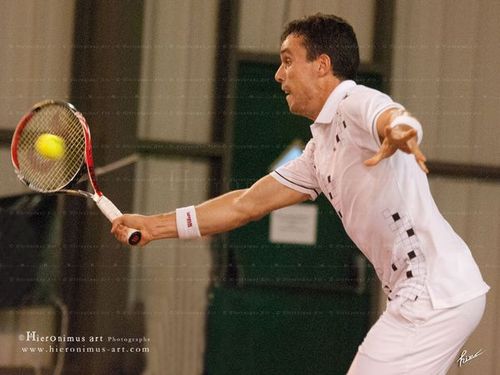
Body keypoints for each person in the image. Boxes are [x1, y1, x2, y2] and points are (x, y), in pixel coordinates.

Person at [112, 14, 489, 374]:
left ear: (322, 65)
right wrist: (155, 226)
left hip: (431, 289)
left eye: (288, 61)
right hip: (436, 291)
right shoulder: (318, 152)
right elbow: (246, 204)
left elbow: (389, 114)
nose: (279, 75)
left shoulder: (352, 102)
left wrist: (402, 128)